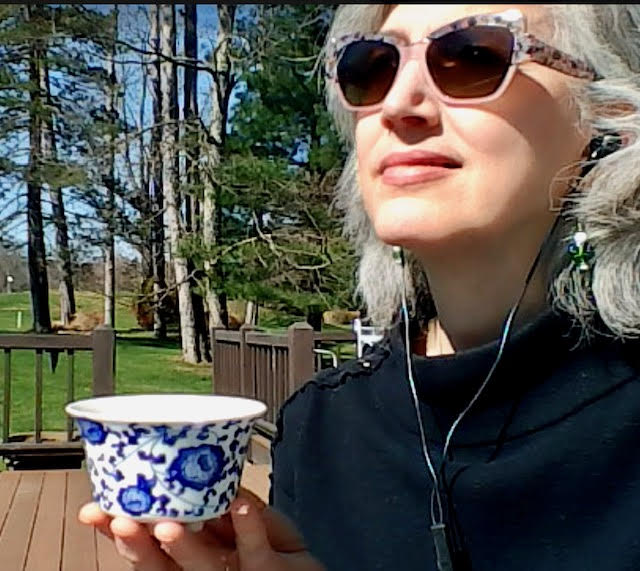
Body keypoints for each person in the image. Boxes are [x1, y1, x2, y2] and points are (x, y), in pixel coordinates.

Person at [79, 4, 640, 570]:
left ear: (610, 119)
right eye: (372, 67)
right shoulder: (321, 428)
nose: (398, 104)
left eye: (473, 55)